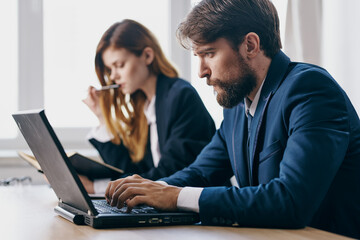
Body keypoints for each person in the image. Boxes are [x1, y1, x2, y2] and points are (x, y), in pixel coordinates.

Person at [104, 1, 360, 238]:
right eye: (198, 57)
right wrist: (149, 190)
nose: (201, 72)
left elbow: (291, 201)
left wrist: (175, 196)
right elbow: (201, 173)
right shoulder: (237, 107)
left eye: (210, 54)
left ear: (250, 45)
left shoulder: (309, 89)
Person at [81, 19, 216, 195]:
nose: (113, 76)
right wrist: (101, 117)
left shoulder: (181, 96)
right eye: (110, 69)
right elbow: (134, 172)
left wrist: (94, 188)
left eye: (119, 65)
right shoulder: (144, 107)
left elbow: (170, 175)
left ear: (147, 56)